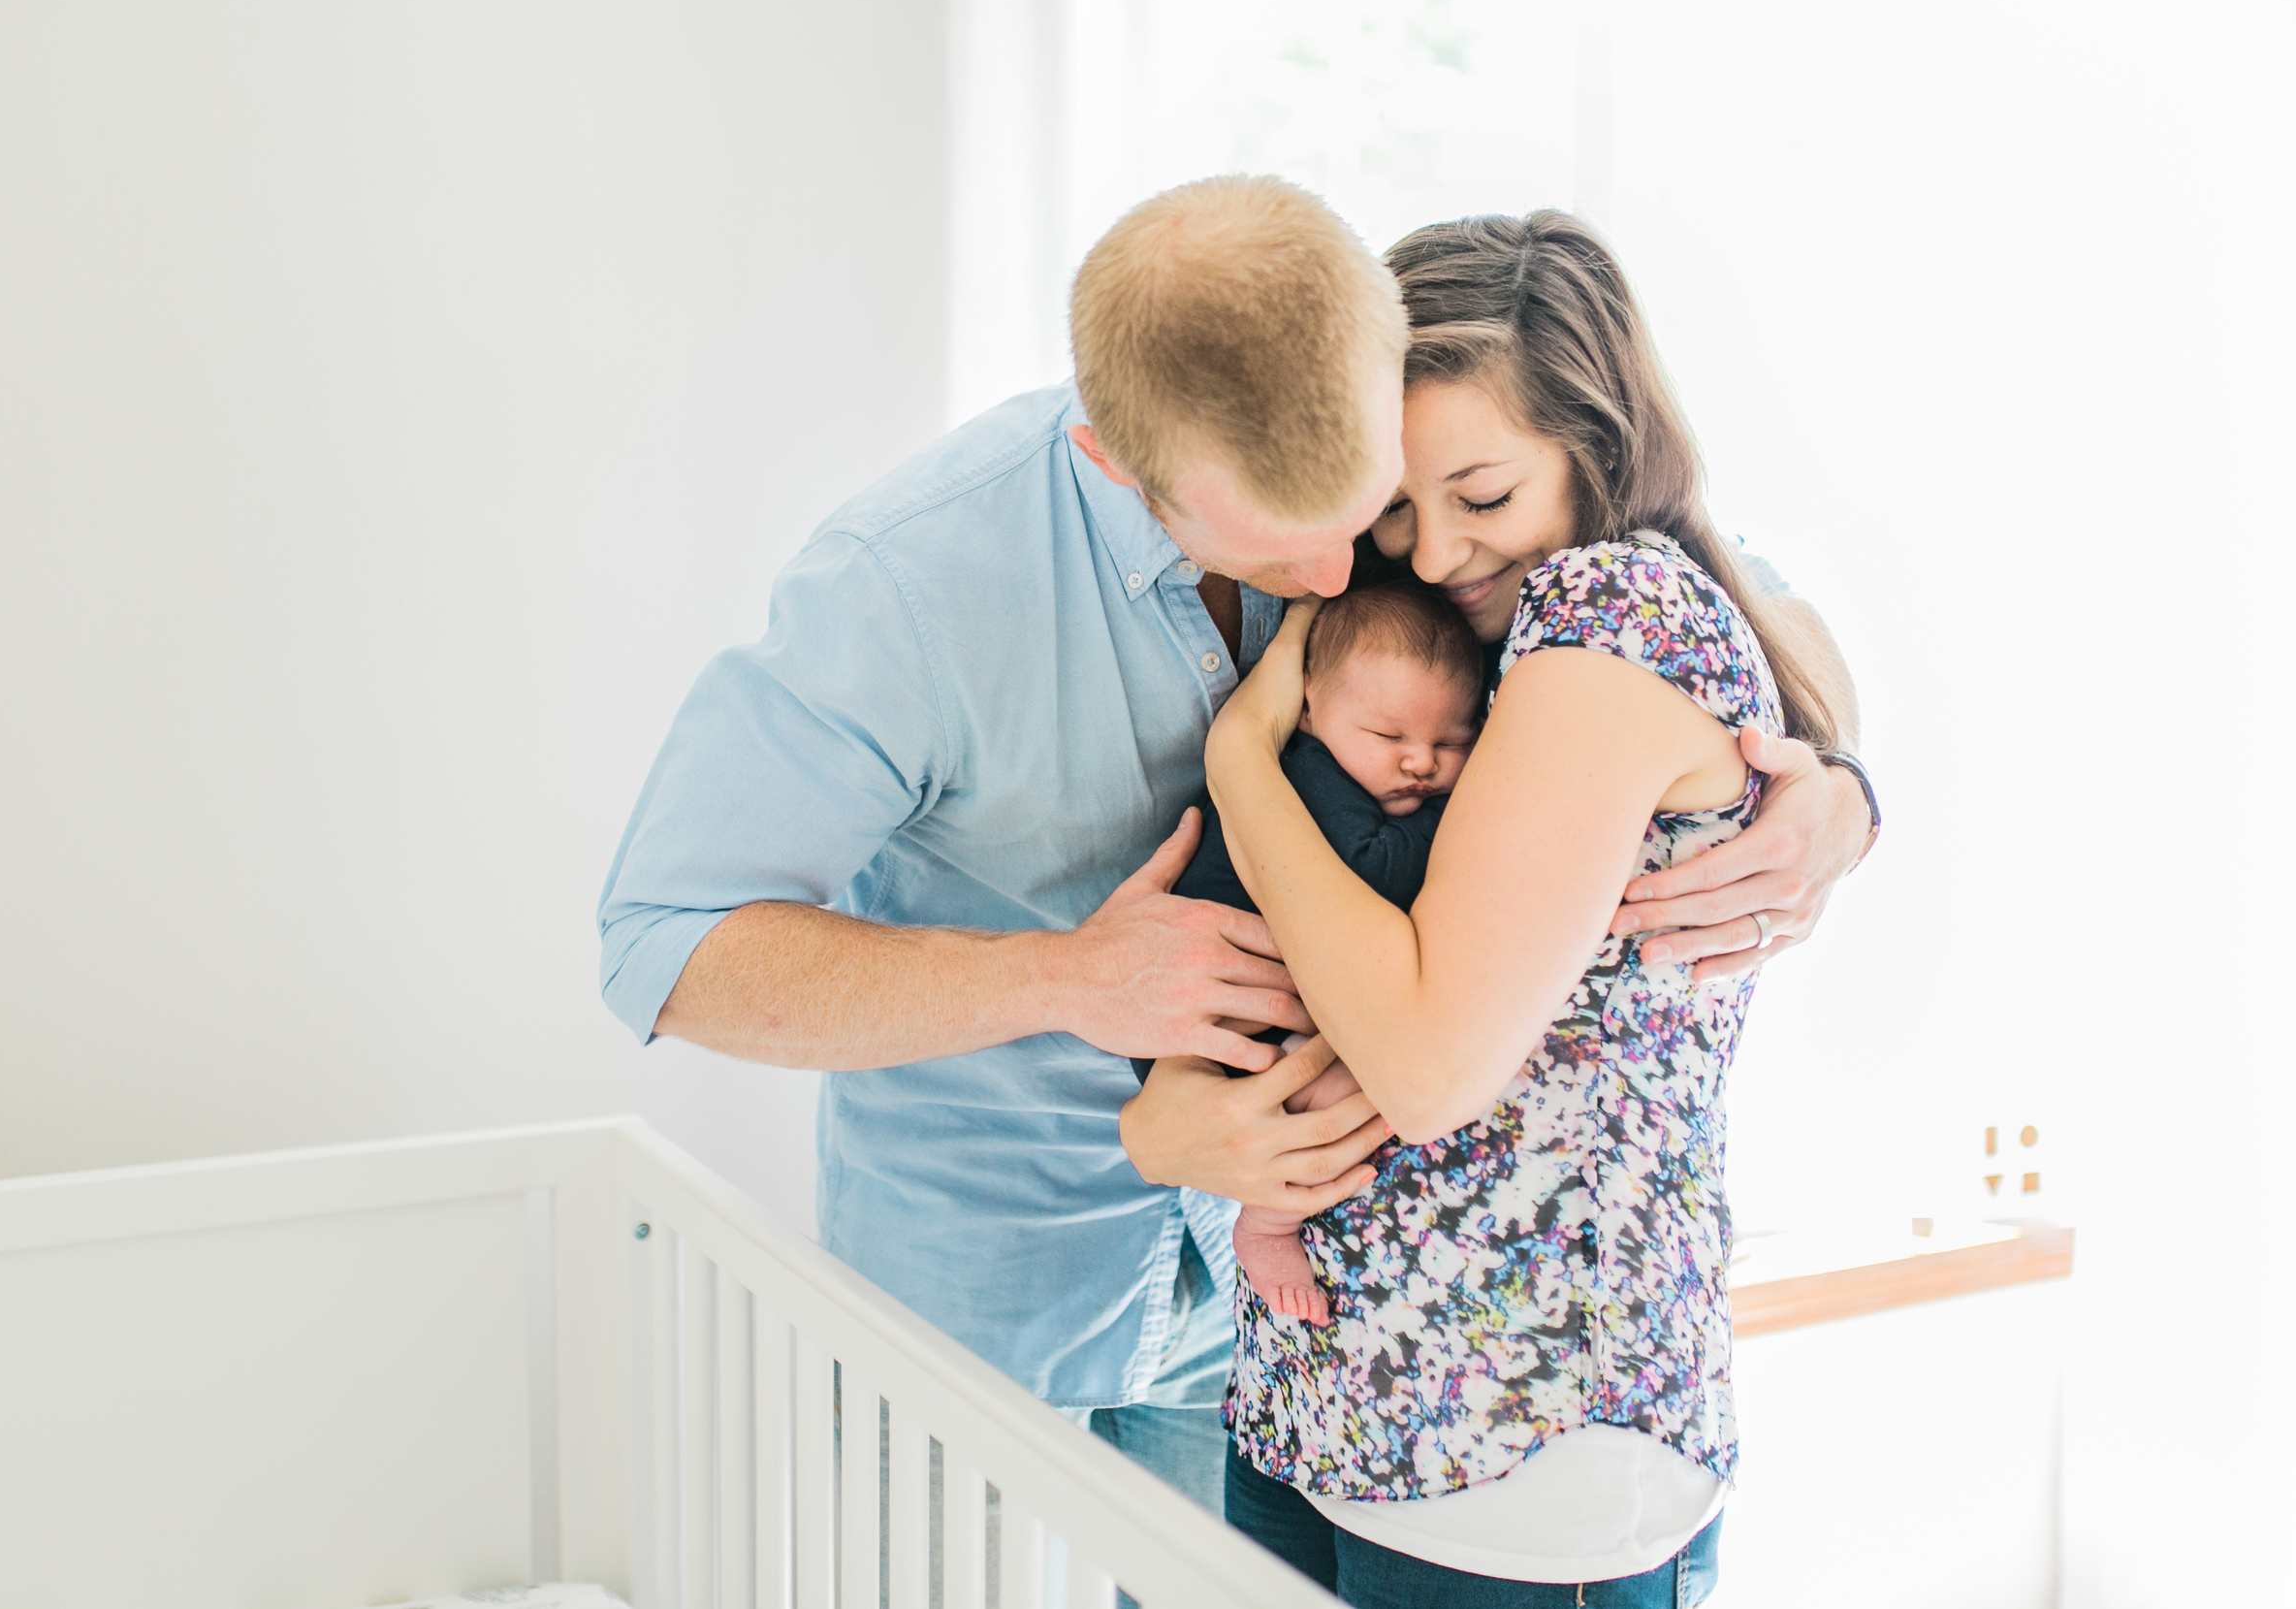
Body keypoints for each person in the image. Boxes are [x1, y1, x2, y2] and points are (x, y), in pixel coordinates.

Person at [600, 177, 1875, 1514]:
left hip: (1294, 1342)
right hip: (991, 1330)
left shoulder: (1397, 486)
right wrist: (1062, 983)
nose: (1358, 576)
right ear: (1117, 462)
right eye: (1291, 546)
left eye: (1367, 510)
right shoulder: (906, 584)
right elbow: (663, 945)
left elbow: (1733, 585)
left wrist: (1837, 789)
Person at [1155, 211, 1876, 1605]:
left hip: (1523, 1443)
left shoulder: (1611, 613)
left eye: (1484, 495)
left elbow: (1430, 1067)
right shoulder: (1476, 625)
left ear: (1597, 447)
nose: (1432, 554)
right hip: (1337, 1400)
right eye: (1402, 507)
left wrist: (1245, 770)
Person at [1134, 580, 1485, 1323]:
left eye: (1452, 743)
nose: (1420, 762)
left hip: (1248, 1007)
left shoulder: (1355, 763)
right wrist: (1473, 805)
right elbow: (1374, 867)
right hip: (1211, 1025)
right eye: (1389, 738)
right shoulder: (1306, 773)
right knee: (1344, 1088)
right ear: (1310, 711)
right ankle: (1267, 1222)